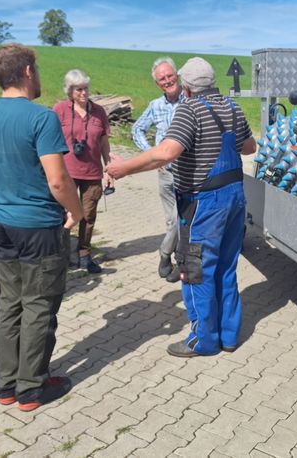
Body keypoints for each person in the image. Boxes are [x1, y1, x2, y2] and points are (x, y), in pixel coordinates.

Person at [107, 57, 256, 358]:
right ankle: (229, 336)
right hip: (235, 197)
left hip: (203, 203)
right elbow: (250, 148)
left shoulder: (189, 109)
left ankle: (203, 340)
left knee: (196, 269)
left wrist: (125, 168)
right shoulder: (233, 107)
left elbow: (166, 152)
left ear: (186, 87)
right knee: (226, 268)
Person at [0, 43, 82, 412]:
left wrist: (2, 196)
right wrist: (75, 211)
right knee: (39, 304)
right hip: (37, 226)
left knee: (11, 303)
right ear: (28, 71)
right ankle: (31, 388)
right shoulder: (41, 118)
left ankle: (5, 382)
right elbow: (58, 180)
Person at [52, 69, 112, 274]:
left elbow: (104, 141)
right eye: (79, 90)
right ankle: (62, 253)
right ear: (70, 91)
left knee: (88, 215)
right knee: (64, 214)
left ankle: (84, 254)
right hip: (66, 171)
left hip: (92, 172)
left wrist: (108, 168)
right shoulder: (59, 110)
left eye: (86, 89)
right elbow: (49, 139)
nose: (84, 93)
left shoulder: (99, 112)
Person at [131, 56, 184, 282]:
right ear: (157, 83)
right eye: (162, 78)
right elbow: (136, 130)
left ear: (177, 76)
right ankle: (172, 259)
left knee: (183, 217)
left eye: (170, 76)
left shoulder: (190, 100)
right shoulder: (156, 106)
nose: (167, 80)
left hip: (190, 172)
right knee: (173, 220)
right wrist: (153, 155)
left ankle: (167, 254)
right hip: (166, 173)